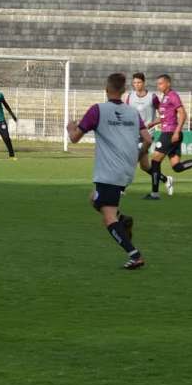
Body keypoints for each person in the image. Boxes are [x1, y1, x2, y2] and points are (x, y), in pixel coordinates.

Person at [67, 73, 153, 270]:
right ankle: (123, 221)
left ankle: (135, 254)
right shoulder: (132, 112)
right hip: (126, 171)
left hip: (109, 172)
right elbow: (147, 140)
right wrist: (137, 158)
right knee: (94, 199)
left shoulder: (98, 110)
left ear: (106, 90)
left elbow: (74, 138)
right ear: (123, 91)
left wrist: (70, 127)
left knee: (108, 217)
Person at [146, 74, 192, 200]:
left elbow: (183, 114)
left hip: (170, 133)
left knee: (155, 161)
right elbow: (166, 117)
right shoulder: (164, 97)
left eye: (161, 83)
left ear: (168, 83)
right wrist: (154, 122)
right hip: (169, 132)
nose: (159, 86)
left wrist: (176, 132)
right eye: (158, 84)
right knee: (177, 167)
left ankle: (154, 193)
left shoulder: (173, 96)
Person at [125, 72, 171, 194]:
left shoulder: (152, 97)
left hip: (147, 135)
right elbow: (126, 114)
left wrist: (152, 123)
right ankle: (165, 179)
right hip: (133, 134)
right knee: (145, 166)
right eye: (134, 82)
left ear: (144, 83)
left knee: (132, 159)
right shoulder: (130, 97)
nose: (136, 85)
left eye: (139, 82)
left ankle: (121, 188)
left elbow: (163, 115)